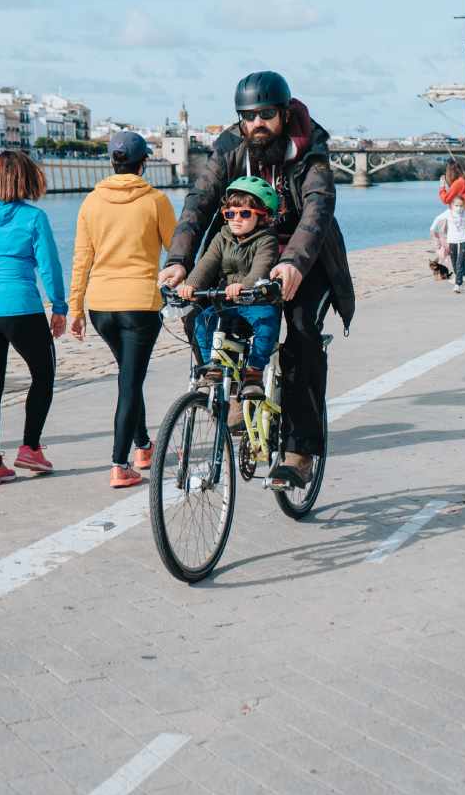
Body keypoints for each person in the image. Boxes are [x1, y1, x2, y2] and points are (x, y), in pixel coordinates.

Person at [160, 71, 355, 491]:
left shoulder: (310, 149)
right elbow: (200, 202)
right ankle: (227, 390)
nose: (257, 124)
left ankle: (300, 451)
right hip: (242, 251)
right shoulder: (231, 147)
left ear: (284, 113)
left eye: (266, 114)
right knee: (198, 310)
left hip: (308, 259)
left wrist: (294, 264)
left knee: (301, 335)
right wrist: (179, 260)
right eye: (248, 116)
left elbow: (317, 210)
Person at [69, 131, 178, 489]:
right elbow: (176, 250)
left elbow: (82, 259)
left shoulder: (91, 202)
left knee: (129, 375)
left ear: (111, 161)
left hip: (101, 306)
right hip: (140, 304)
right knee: (130, 381)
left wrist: (76, 308)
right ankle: (120, 464)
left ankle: (143, 447)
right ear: (143, 162)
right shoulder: (156, 201)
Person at [0, 151, 68, 487]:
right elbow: (49, 267)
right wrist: (59, 307)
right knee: (43, 375)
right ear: (26, 178)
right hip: (19, 307)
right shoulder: (34, 218)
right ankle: (31, 448)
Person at [178, 176, 281, 400]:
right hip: (227, 300)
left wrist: (243, 286)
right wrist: (191, 285)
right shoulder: (221, 237)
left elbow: (261, 270)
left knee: (267, 324)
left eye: (244, 214)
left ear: (263, 217)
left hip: (256, 300)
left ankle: (254, 373)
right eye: (230, 214)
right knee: (201, 321)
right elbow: (206, 264)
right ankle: (212, 367)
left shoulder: (266, 240)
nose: (236, 219)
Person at [431, 195, 465, 293]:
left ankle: (458, 284)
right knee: (454, 262)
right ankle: (460, 278)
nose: (459, 208)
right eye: (456, 205)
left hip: (464, 240)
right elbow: (437, 219)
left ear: (464, 206)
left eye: (461, 205)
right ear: (452, 205)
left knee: (460, 262)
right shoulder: (448, 213)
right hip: (452, 240)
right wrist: (432, 229)